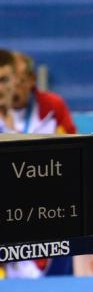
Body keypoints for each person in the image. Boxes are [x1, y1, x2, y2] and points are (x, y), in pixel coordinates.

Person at [0, 50, 42, 279]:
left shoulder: (13, 124)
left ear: (15, 81)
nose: (0, 88)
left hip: (19, 245)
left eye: (4, 80)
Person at [11, 51, 77, 134]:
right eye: (6, 81)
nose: (12, 88)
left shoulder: (53, 104)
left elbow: (72, 141)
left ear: (32, 79)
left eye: (20, 81)